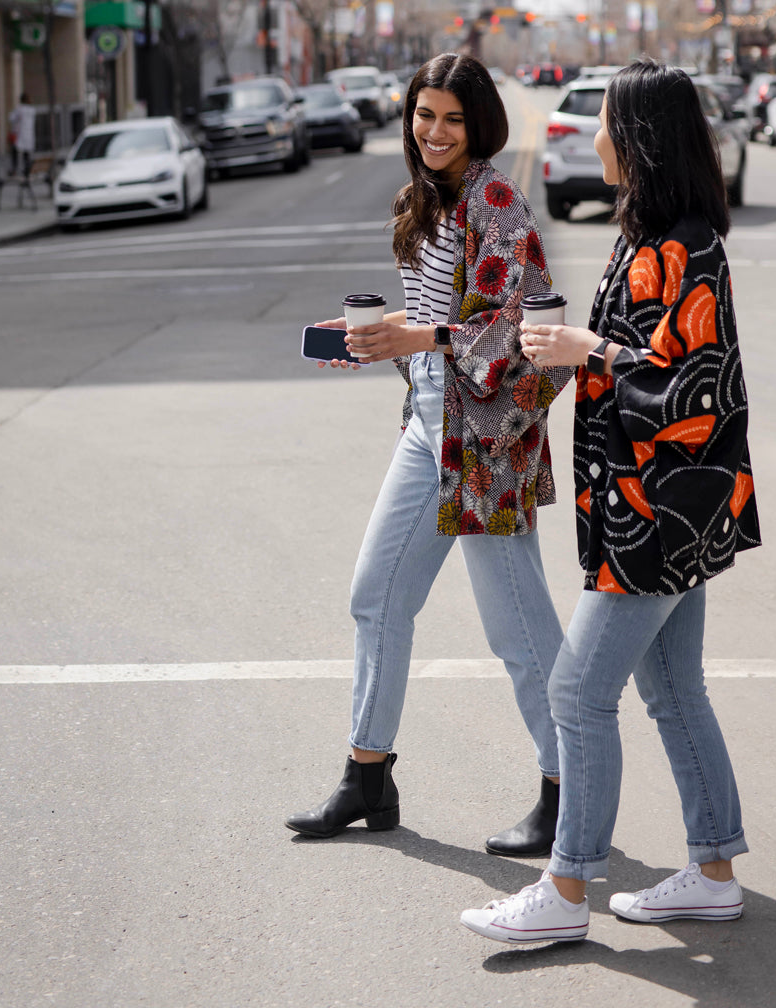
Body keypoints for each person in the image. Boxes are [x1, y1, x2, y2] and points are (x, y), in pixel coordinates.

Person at [461, 59, 761, 944]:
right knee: (673, 691)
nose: (590, 135)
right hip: (648, 506)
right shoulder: (654, 234)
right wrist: (571, 349)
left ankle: (565, 890)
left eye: (603, 121)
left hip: (658, 513)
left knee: (576, 693)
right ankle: (712, 869)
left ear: (637, 138)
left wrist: (589, 348)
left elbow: (692, 392)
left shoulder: (688, 246)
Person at [285, 53, 574, 855]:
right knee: (375, 596)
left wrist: (420, 338)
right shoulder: (425, 200)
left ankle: (565, 788)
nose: (435, 132)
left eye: (452, 118)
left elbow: (524, 328)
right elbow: (424, 320)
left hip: (485, 442)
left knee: (517, 629)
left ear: (478, 125)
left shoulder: (496, 200)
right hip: (427, 424)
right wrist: (373, 339)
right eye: (424, 115)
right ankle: (367, 776)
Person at [9, 93, 36, 177]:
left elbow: (11, 118)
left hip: (20, 134)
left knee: (15, 151)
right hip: (29, 134)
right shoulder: (32, 110)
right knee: (26, 153)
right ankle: (26, 169)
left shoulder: (19, 109)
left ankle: (14, 169)